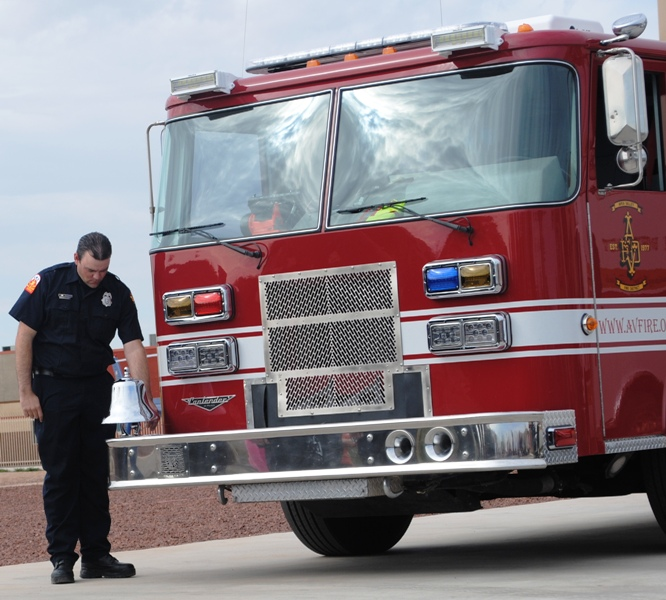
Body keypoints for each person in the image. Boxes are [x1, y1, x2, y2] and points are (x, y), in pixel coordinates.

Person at [9, 232, 159, 585]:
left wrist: (144, 398)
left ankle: (96, 556)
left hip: (96, 389)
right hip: (53, 390)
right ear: (76, 258)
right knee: (62, 475)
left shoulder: (117, 291)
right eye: (91, 270)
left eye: (103, 270)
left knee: (96, 475)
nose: (97, 277)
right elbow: (23, 337)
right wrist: (26, 392)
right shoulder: (48, 282)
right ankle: (62, 558)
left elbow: (134, 346)